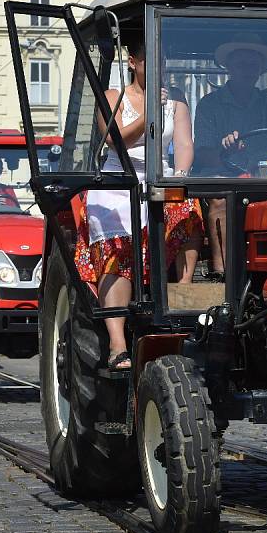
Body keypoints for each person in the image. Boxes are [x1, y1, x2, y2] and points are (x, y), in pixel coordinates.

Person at [74, 37, 203, 370]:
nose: (158, 69)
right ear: (133, 62)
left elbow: (184, 143)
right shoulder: (113, 98)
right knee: (118, 244)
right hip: (120, 178)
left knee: (187, 208)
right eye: (150, 61)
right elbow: (116, 141)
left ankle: (182, 293)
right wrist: (148, 114)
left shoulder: (176, 100)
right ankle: (117, 342)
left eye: (163, 62)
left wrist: (180, 173)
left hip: (158, 178)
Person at [193, 33, 267, 275]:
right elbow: (202, 155)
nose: (248, 70)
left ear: (261, 69)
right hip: (223, 176)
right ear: (229, 67)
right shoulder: (210, 104)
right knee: (222, 199)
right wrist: (224, 152)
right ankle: (224, 273)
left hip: (264, 177)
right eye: (241, 64)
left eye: (253, 65)